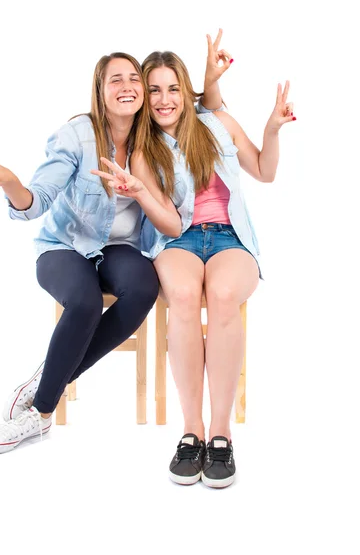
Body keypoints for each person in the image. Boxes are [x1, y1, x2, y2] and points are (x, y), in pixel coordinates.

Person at [0, 42, 225, 455]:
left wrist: (210, 83)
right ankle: (40, 414)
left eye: (135, 79)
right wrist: (9, 183)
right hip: (65, 247)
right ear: (100, 90)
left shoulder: (154, 144)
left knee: (144, 288)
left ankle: (47, 378)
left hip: (120, 248)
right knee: (84, 302)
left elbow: (201, 114)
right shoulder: (76, 135)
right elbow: (36, 200)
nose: (128, 86)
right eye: (117, 80)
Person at [108, 46, 295, 487]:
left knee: (225, 295)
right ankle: (191, 430)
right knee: (187, 296)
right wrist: (140, 192)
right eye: (153, 90)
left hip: (231, 237)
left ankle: (221, 433)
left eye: (173, 88)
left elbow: (265, 172)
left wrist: (272, 128)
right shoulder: (142, 152)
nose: (163, 99)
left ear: (186, 90)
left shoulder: (217, 123)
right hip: (179, 238)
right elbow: (169, 222)